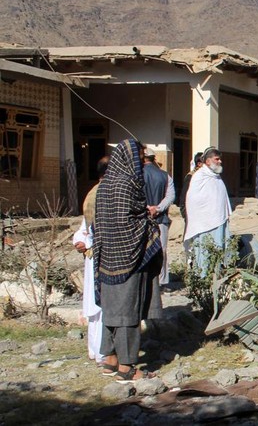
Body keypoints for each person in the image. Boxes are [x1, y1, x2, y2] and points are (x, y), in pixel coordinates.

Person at [93, 139, 162, 382]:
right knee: (127, 313)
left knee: (111, 310)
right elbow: (127, 223)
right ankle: (127, 367)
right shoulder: (127, 184)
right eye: (139, 158)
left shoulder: (104, 185)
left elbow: (102, 222)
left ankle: (110, 359)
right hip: (128, 257)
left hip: (106, 258)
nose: (142, 164)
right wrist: (149, 221)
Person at [72, 156, 109, 367]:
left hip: (97, 256)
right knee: (100, 308)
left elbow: (83, 231)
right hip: (101, 257)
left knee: (99, 308)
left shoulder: (94, 193)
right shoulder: (102, 193)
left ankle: (98, 351)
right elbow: (85, 229)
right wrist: (81, 242)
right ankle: (101, 352)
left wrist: (82, 240)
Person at [184, 147, 231, 278]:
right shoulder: (199, 176)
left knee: (218, 249)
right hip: (204, 225)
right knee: (205, 251)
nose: (220, 161)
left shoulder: (216, 177)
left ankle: (216, 276)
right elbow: (193, 201)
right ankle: (203, 279)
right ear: (208, 161)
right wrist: (206, 215)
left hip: (219, 221)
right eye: (217, 159)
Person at [143, 147, 175, 287]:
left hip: (142, 219)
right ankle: (162, 281)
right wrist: (158, 208)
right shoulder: (165, 176)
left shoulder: (136, 175)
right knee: (161, 250)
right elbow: (171, 196)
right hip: (161, 219)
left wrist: (147, 208)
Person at [179, 152, 203, 220]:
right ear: (199, 164)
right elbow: (184, 196)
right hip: (192, 214)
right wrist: (185, 213)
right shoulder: (191, 177)